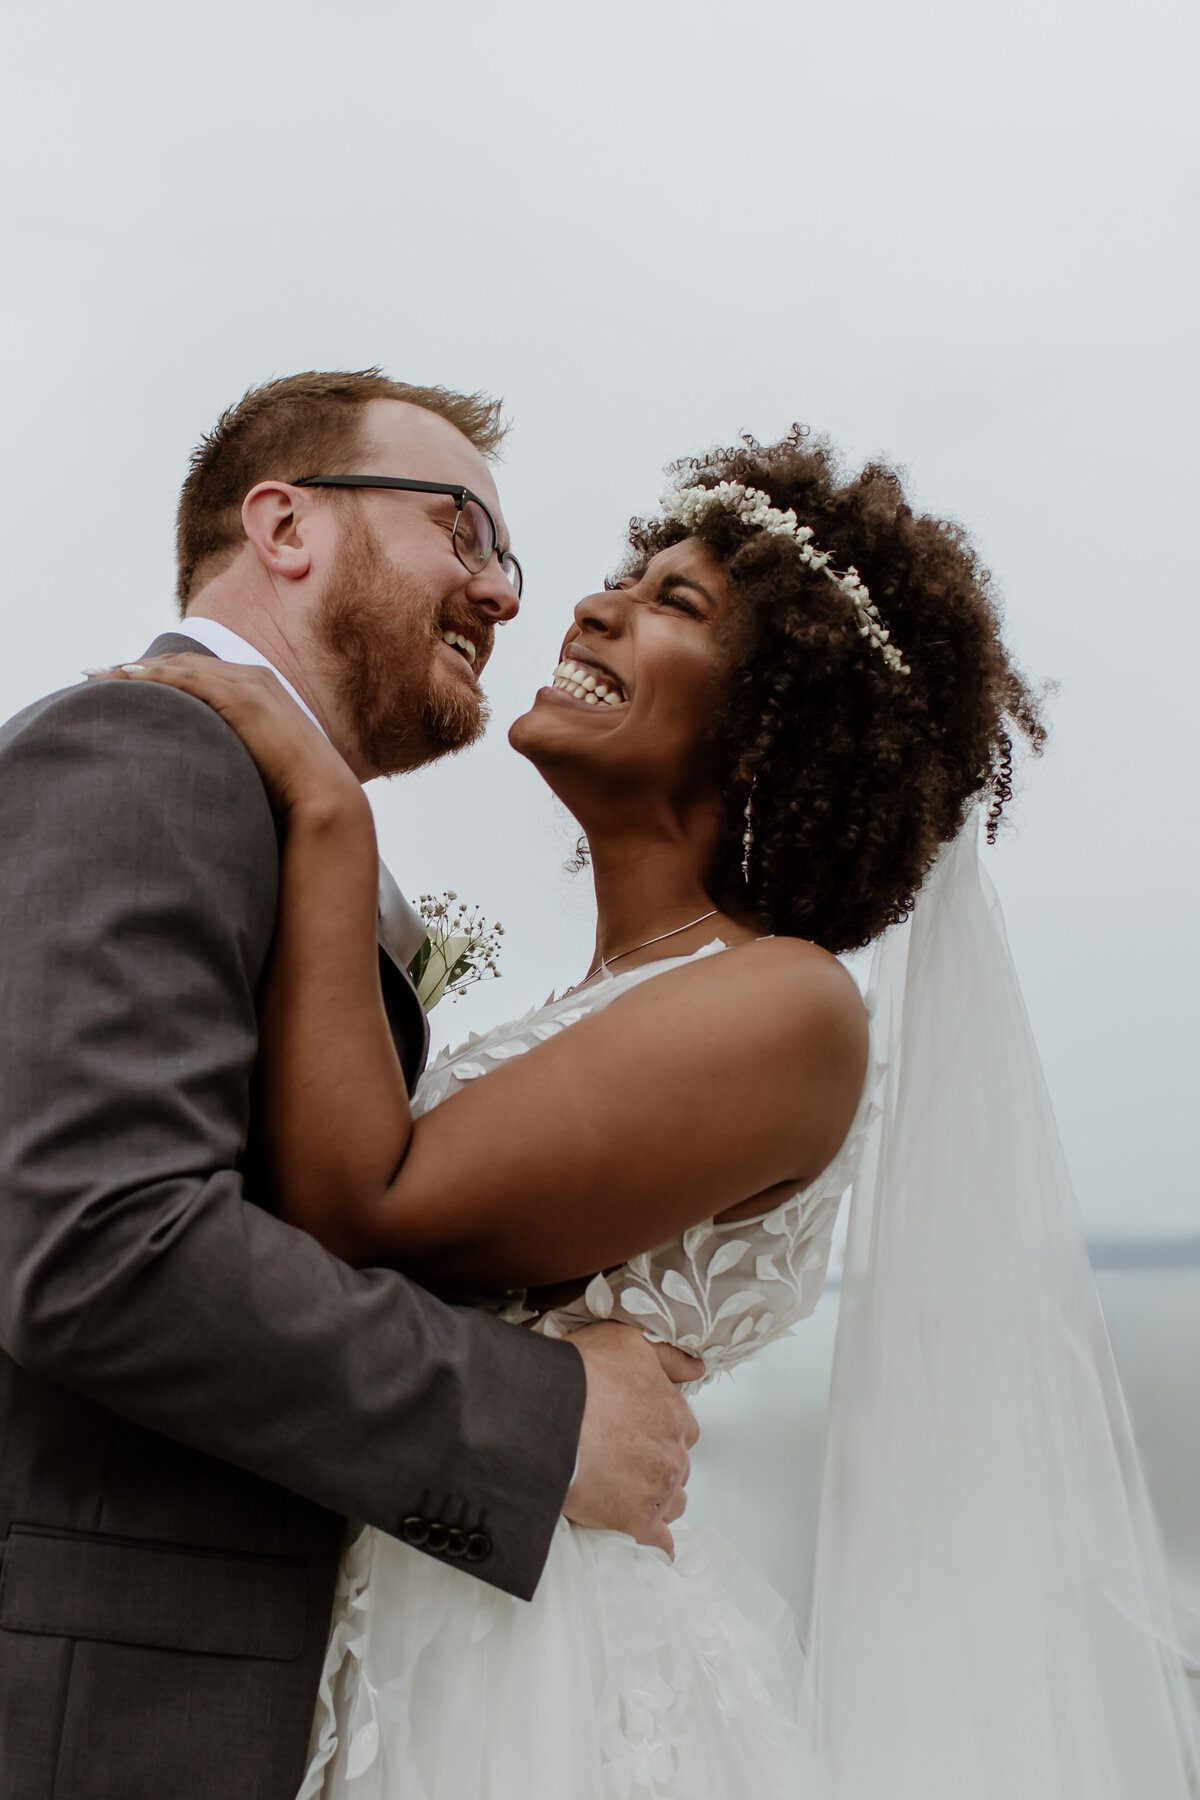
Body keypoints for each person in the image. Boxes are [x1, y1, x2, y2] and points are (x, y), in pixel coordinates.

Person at [102, 427, 1200, 1798]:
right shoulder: (619, 1001)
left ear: (773, 735)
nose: (593, 604)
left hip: (533, 1678)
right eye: (631, 575)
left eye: (675, 603)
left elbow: (361, 1210)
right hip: (421, 1598)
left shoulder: (788, 1009)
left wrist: (325, 809)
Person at [0, 371, 701, 1800]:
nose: (506, 597)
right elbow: (99, 1246)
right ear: (286, 525)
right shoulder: (146, 751)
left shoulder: (270, 817)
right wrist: (549, 1419)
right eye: (466, 529)